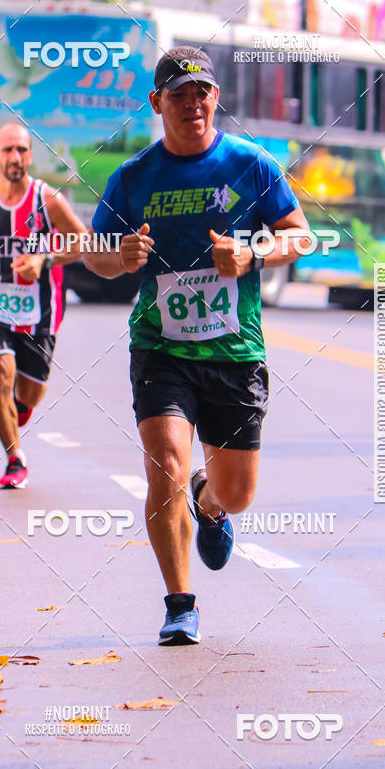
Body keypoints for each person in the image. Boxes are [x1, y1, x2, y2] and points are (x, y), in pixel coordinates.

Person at [85, 46, 312, 644]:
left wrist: (252, 252)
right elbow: (93, 254)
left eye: (202, 92)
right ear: (157, 103)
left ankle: (208, 506)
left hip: (235, 354)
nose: (193, 103)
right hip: (160, 348)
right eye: (179, 94)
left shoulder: (252, 165)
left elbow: (302, 238)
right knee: (165, 464)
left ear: (216, 98)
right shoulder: (132, 178)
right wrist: (119, 256)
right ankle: (179, 605)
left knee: (237, 491)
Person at [0, 122, 86, 489]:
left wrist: (45, 260)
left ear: (30, 155)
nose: (16, 156)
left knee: (27, 395)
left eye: (22, 150)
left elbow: (82, 242)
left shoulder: (48, 200)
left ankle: (17, 408)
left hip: (40, 313)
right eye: (8, 149)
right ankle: (15, 459)